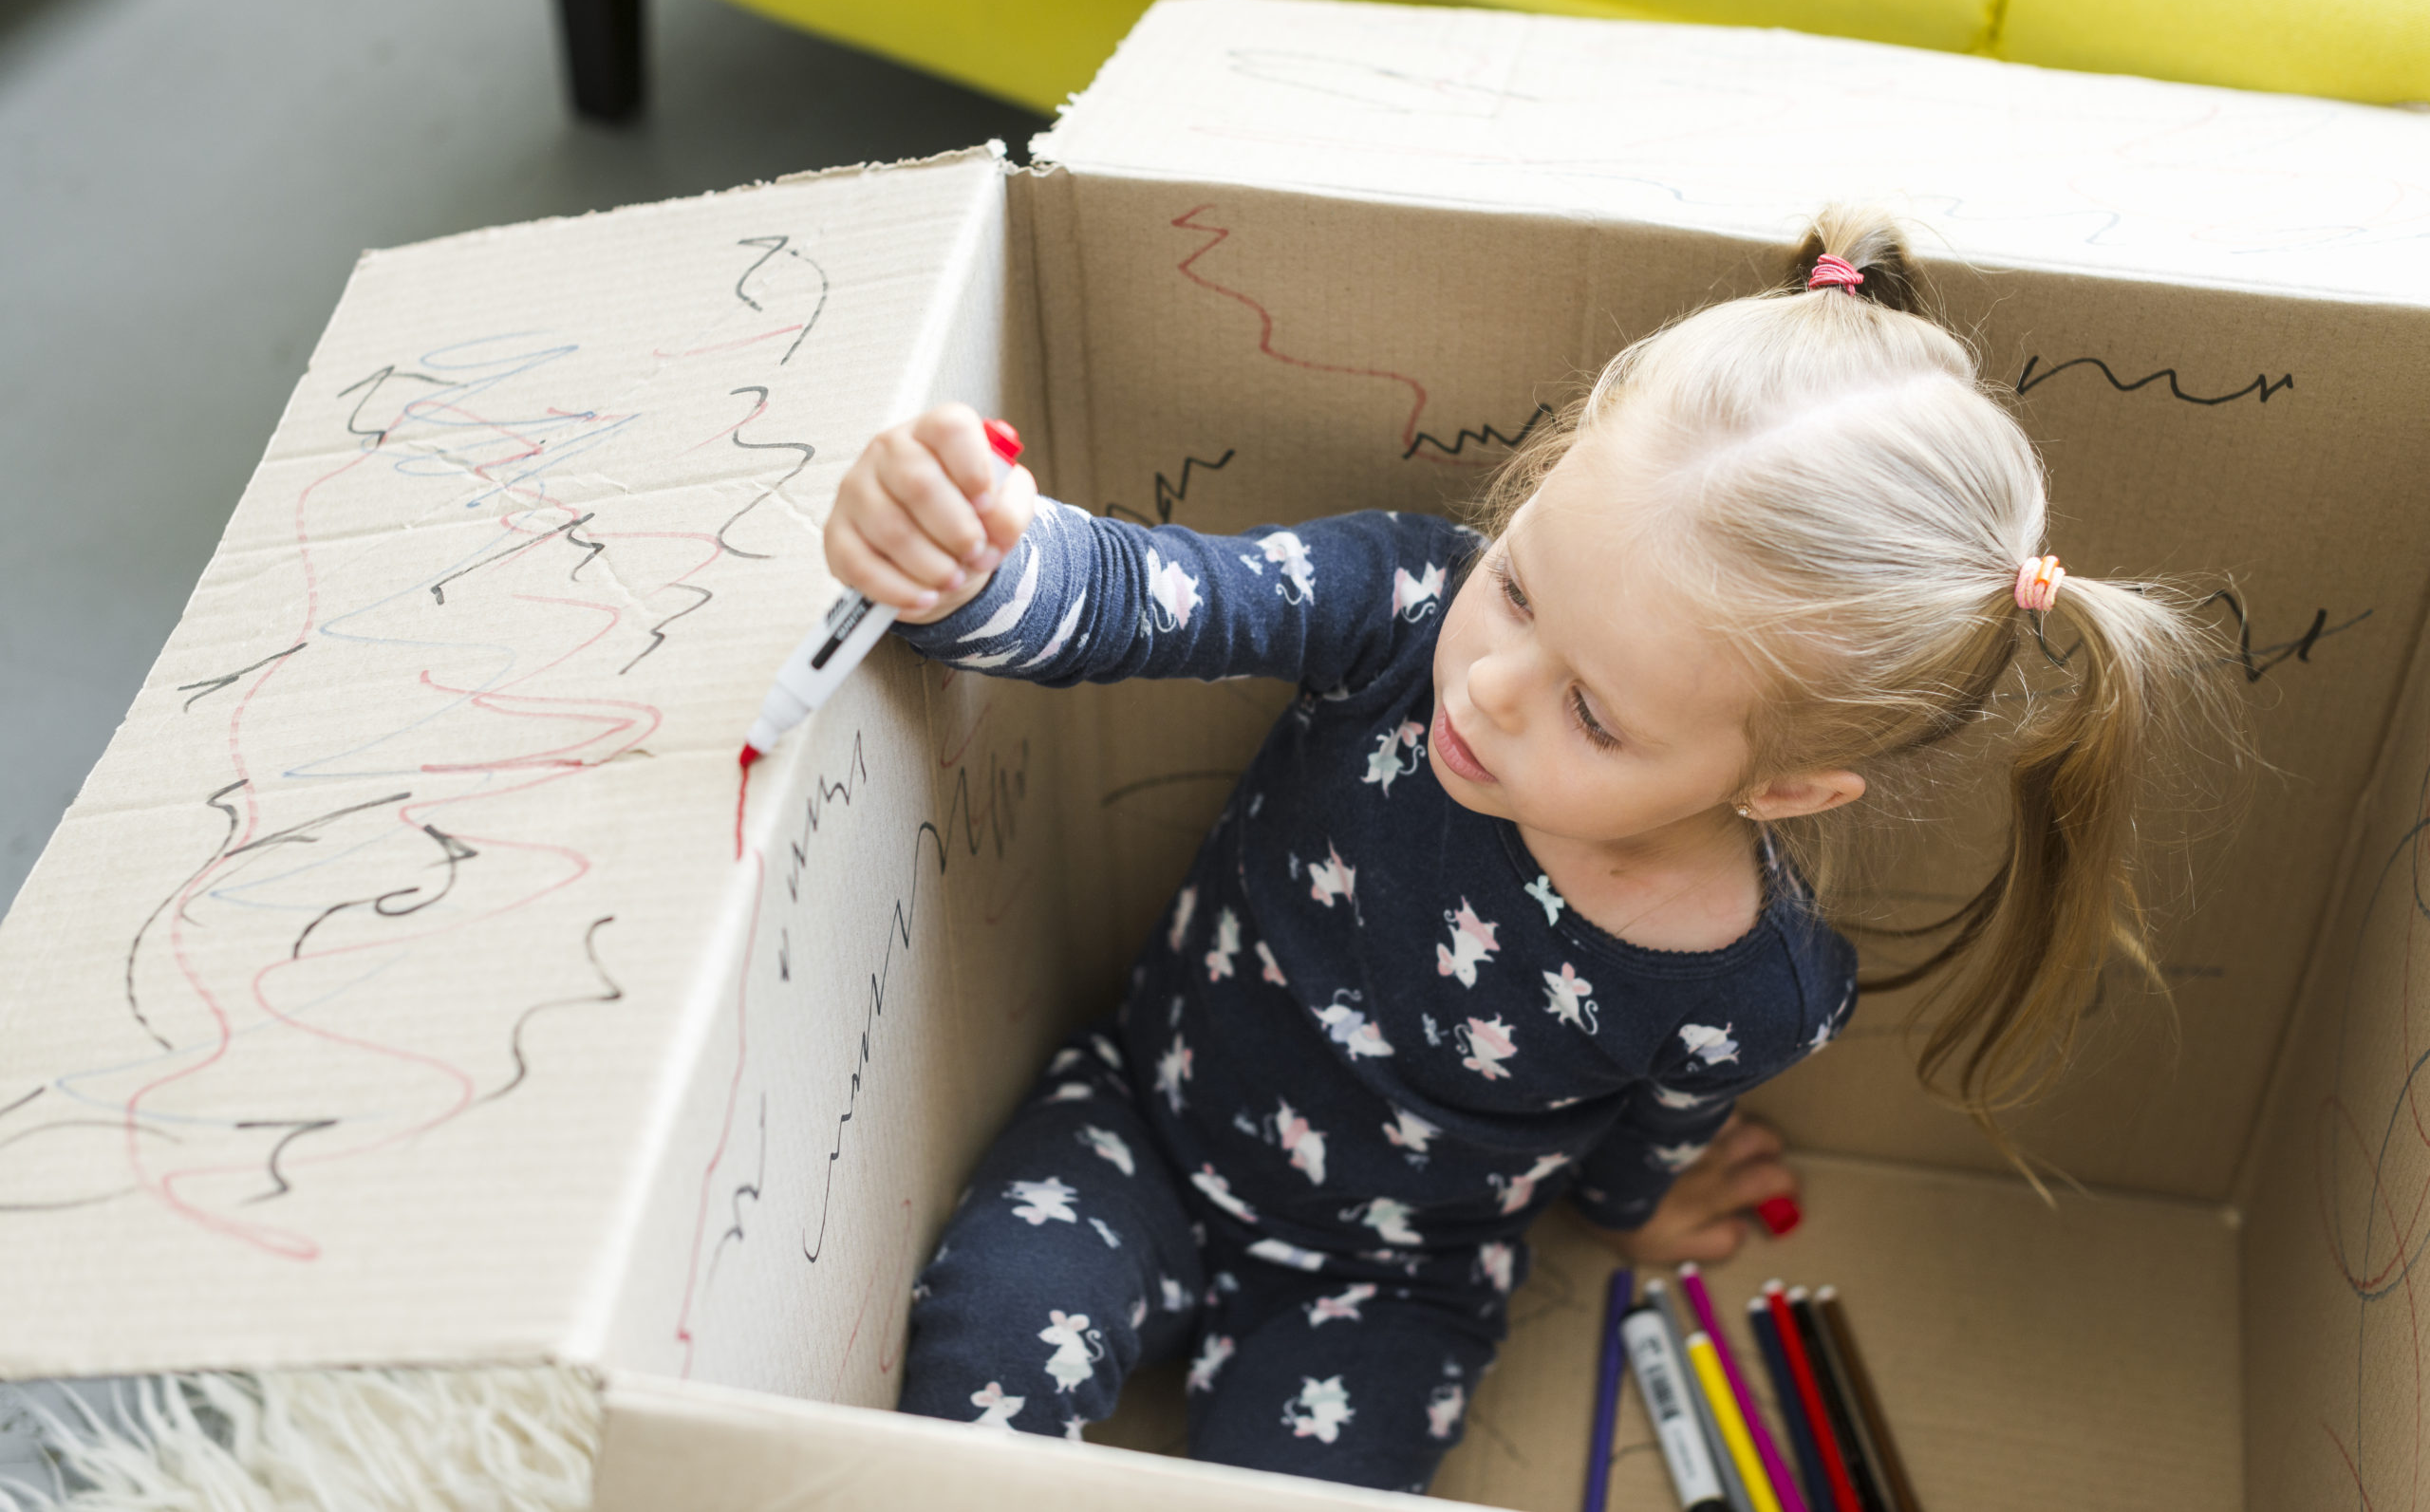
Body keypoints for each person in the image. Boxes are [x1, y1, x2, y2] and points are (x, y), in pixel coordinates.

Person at [824, 210, 2244, 1491]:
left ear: (1786, 789)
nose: (1488, 687)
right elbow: (1156, 596)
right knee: (968, 1388)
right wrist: (973, 565)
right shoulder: (1396, 601)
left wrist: (1638, 1215)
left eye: (1595, 713)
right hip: (1137, 1124)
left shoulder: (1756, 985)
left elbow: (1651, 1136)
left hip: (1392, 1278)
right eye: (1516, 581)